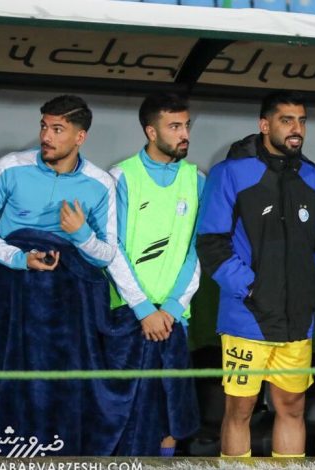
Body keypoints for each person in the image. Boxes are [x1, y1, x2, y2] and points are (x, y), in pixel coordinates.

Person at [0, 95, 118, 455]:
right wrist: (18, 258)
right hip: (10, 289)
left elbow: (108, 252)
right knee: (2, 374)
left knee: (57, 382)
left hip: (67, 300)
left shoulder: (100, 183)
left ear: (80, 137)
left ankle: (54, 453)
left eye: (58, 129)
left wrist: (82, 235)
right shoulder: (10, 167)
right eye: (44, 126)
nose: (46, 136)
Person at [196, 90, 315, 458]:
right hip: (247, 318)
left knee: (292, 408)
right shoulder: (230, 173)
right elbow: (211, 243)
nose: (296, 129)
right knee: (240, 411)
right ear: (264, 125)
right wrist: (252, 289)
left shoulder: (314, 176)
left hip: (297, 320)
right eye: (287, 120)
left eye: (301, 121)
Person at [105, 92, 202, 456]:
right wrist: (144, 308)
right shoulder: (120, 177)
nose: (184, 134)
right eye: (174, 126)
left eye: (186, 125)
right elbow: (112, 249)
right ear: (151, 131)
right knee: (125, 416)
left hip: (175, 318)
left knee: (169, 417)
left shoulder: (197, 179)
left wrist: (172, 308)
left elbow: (198, 251)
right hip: (128, 316)